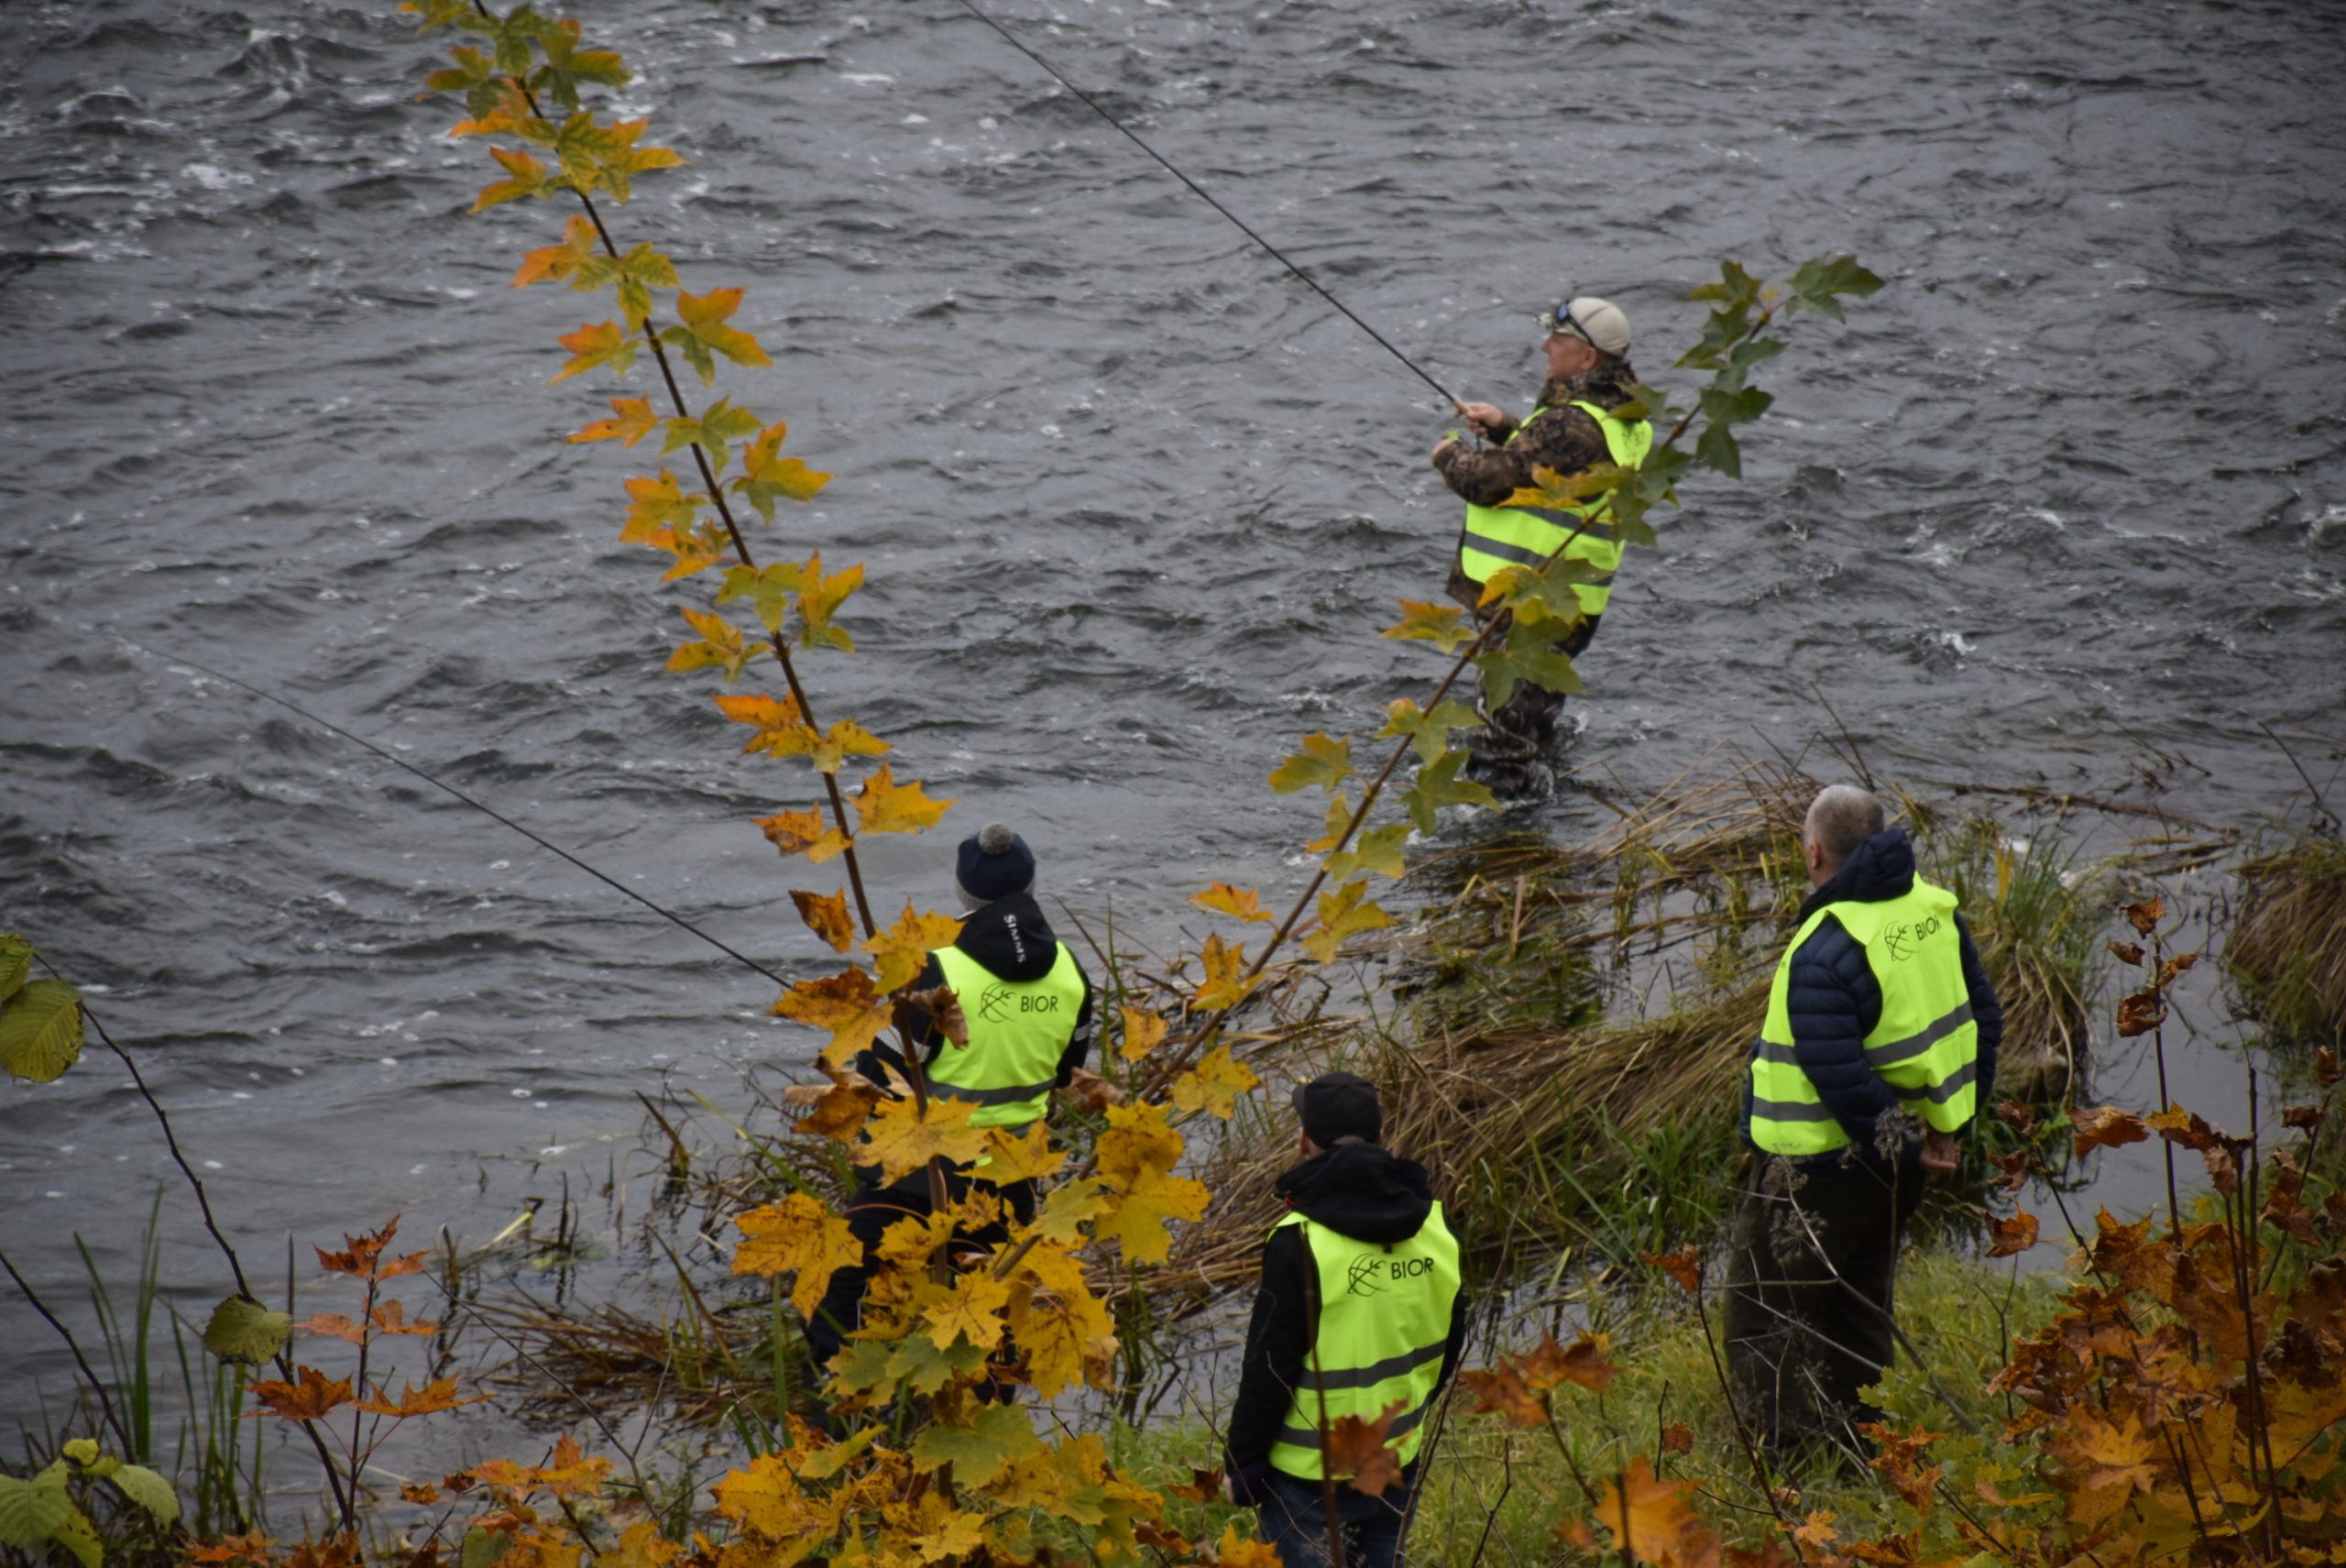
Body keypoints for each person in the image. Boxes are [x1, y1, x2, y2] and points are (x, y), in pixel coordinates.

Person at [1722, 784, 2003, 1459]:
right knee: (1860, 1300)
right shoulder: (1933, 911)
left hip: (1814, 1169)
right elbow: (1983, 1020)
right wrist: (1948, 1126)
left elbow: (1837, 1073)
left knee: (1764, 1313)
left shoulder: (1827, 946)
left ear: (1814, 852)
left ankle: (1786, 1463)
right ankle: (1865, 1445)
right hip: (1900, 1163)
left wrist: (1902, 1143)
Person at [800, 822, 1095, 1382]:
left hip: (923, 1176)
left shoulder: (934, 970)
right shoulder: (1070, 971)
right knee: (990, 1315)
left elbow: (878, 1079)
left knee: (836, 1286)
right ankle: (982, 1413)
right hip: (1014, 1179)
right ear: (1032, 884)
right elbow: (1065, 1074)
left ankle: (839, 1403)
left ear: (963, 892)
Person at [1223, 1072, 1465, 1568]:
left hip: (1310, 1477)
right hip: (1395, 1455)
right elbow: (1451, 1340)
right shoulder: (1437, 1226)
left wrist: (1243, 1462)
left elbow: (1269, 1366)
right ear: (1381, 1136)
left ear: (1303, 1142)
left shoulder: (1299, 1240)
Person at [1430, 295, 1652, 795]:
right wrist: (1508, 428)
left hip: (1527, 603)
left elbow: (1484, 482)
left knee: (1499, 750)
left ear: (1588, 357)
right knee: (1532, 727)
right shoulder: (1626, 415)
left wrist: (1449, 455)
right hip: (1565, 604)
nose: (1545, 346)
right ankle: (1543, 809)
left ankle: (1507, 832)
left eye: (1558, 339)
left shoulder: (1570, 423)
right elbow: (1562, 467)